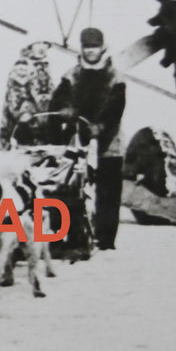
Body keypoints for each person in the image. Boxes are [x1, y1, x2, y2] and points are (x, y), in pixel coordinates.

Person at [50, 27, 127, 251]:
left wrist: (101, 126)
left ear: (102, 47)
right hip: (78, 138)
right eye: (87, 47)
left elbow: (116, 106)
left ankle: (105, 238)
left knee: (108, 189)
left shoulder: (115, 75)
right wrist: (65, 110)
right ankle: (72, 233)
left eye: (95, 47)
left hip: (108, 140)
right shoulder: (72, 74)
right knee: (71, 187)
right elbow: (58, 101)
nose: (91, 52)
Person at [0, 40, 55, 147]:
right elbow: (16, 92)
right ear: (30, 47)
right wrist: (22, 113)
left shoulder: (45, 66)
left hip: (42, 123)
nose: (42, 47)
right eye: (38, 43)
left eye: (45, 44)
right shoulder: (22, 66)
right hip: (24, 123)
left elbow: (49, 91)